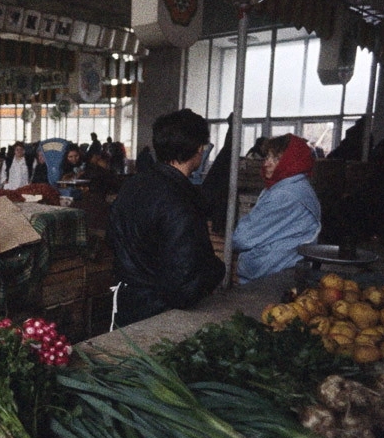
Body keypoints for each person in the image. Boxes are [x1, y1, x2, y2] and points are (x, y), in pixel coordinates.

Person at [107, 109, 225, 328]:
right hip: (160, 317)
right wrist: (217, 271)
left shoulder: (133, 185)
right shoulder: (180, 201)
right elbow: (183, 288)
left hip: (125, 304)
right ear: (199, 148)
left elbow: (112, 239)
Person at [232, 134, 321, 284]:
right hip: (284, 269)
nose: (267, 163)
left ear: (292, 161)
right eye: (267, 157)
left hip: (271, 276)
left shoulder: (284, 194)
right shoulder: (296, 187)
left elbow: (242, 238)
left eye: (276, 159)